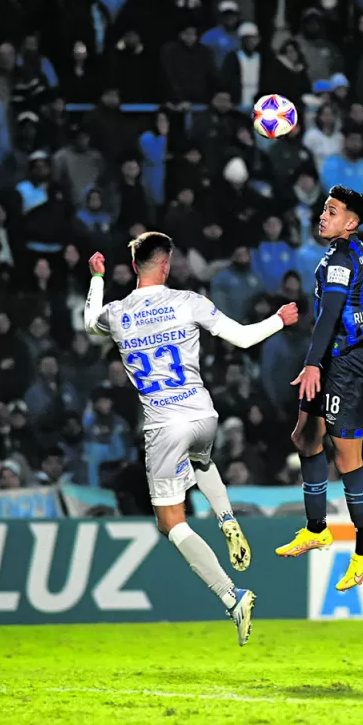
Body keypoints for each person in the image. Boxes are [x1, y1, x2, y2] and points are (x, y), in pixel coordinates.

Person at [83, 233, 299, 647]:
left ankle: (231, 596)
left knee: (169, 522)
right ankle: (227, 518)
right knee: (201, 462)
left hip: (164, 426)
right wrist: (278, 320)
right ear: (166, 265)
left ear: (134, 267)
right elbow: (241, 338)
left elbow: (89, 322)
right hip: (203, 414)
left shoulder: (118, 312)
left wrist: (96, 277)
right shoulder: (188, 301)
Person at [277, 185, 363, 592]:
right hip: (333, 359)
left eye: (333, 211)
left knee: (347, 457)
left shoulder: (341, 258)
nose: (324, 216)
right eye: (325, 208)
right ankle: (317, 528)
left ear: (351, 223)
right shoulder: (348, 249)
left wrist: (311, 362)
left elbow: (331, 314)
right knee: (305, 438)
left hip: (346, 365)